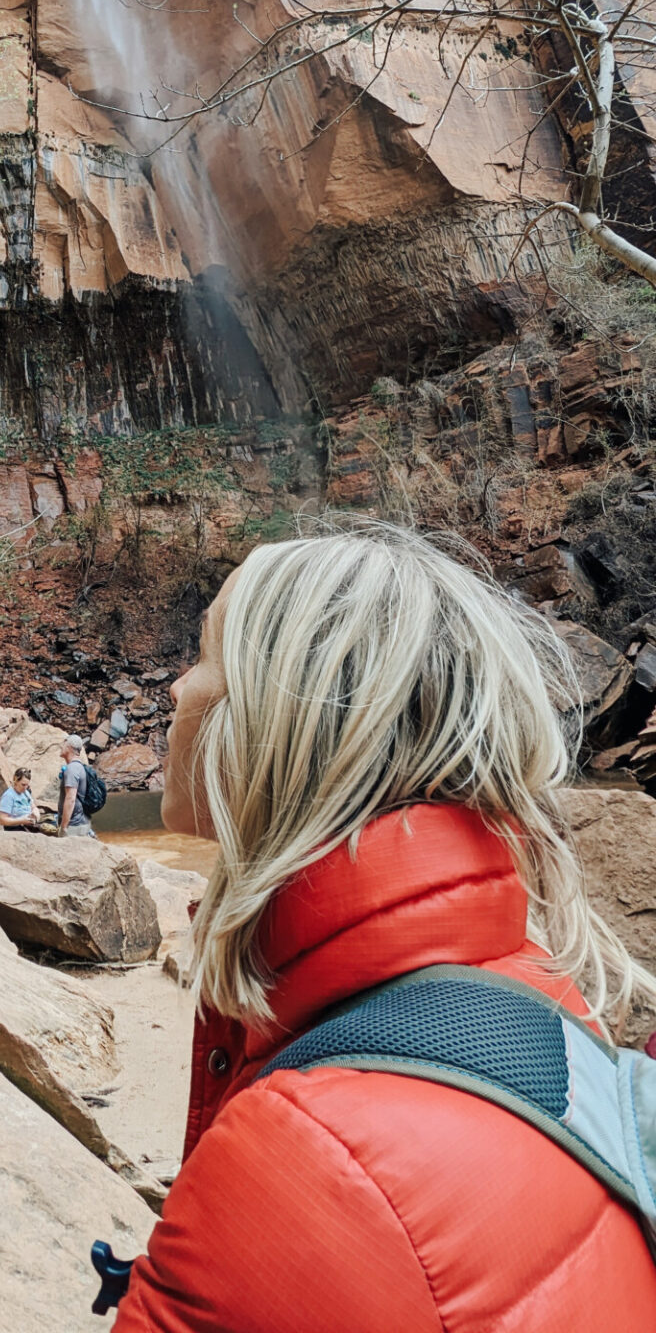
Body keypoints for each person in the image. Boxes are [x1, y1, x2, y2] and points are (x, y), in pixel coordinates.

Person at [113, 524, 656, 1331]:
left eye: (202, 655)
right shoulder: (534, 990)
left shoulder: (301, 1160)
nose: (175, 689)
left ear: (279, 717)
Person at [58, 734, 95, 838]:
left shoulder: (72, 769)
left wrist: (63, 827)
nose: (61, 747)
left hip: (73, 826)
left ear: (69, 747)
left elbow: (70, 798)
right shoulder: (79, 767)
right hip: (81, 822)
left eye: (63, 744)